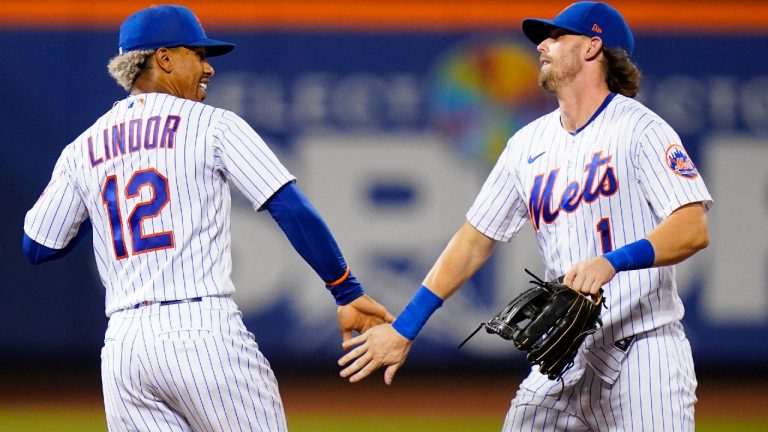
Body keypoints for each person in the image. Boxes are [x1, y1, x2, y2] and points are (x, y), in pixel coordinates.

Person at [338, 2, 712, 430]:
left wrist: (612, 261)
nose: (542, 47)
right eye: (542, 39)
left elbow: (692, 227)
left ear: (592, 47)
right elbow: (473, 241)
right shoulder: (526, 144)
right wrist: (405, 328)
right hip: (563, 352)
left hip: (645, 354)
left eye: (555, 37)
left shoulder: (642, 130)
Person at [22, 4, 393, 431]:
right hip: (201, 332)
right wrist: (346, 291)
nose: (208, 68)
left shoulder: (82, 148)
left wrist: (98, 189)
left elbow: (38, 246)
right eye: (196, 54)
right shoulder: (212, 125)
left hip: (124, 347)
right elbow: (289, 207)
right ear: (162, 58)